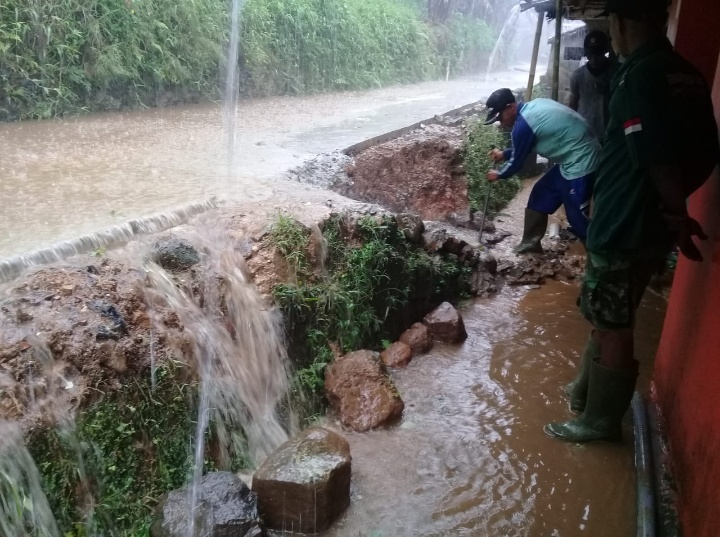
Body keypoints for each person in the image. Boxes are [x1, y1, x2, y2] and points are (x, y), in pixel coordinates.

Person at [544, 0, 720, 443]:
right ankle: (583, 391)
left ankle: (598, 422)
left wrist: (673, 210)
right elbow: (705, 153)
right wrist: (673, 211)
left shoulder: (639, 75)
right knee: (611, 310)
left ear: (621, 24)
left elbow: (655, 157)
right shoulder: (689, 74)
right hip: (650, 223)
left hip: (623, 220)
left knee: (612, 320)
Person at [484, 88, 601, 254]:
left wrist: (499, 174)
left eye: (499, 117)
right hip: (569, 158)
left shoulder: (523, 125)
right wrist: (504, 154)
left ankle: (600, 260)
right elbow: (525, 146)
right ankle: (530, 244)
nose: (501, 123)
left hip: (582, 160)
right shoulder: (532, 108)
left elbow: (517, 162)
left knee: (576, 216)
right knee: (541, 193)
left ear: (510, 107)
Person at [568, 30, 615, 141]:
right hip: (586, 135)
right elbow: (572, 106)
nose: (593, 59)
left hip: (611, 134)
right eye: (590, 54)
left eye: (597, 54)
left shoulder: (616, 73)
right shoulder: (578, 76)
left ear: (604, 52)